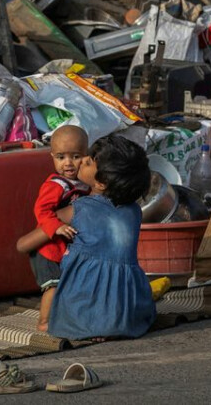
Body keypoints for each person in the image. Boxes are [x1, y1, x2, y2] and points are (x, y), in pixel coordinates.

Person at [46, 135, 156, 341]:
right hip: (131, 311)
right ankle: (110, 325)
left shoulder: (80, 209)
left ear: (101, 182)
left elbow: (39, 232)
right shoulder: (134, 211)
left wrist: (22, 245)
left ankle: (91, 325)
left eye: (87, 162)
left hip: (88, 307)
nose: (80, 162)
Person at [14, 125, 90, 332]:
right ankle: (44, 321)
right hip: (47, 249)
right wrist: (56, 226)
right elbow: (41, 210)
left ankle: (66, 316)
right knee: (53, 285)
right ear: (52, 157)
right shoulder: (57, 184)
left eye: (75, 156)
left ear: (86, 156)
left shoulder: (83, 184)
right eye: (61, 157)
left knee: (68, 283)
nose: (68, 163)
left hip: (64, 248)